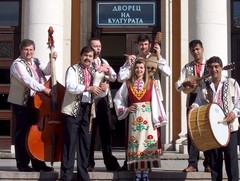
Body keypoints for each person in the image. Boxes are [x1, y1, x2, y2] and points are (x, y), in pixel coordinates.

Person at [117, 33, 171, 171]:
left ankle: (148, 163)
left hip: (153, 98)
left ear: (150, 45)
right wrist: (128, 63)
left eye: (146, 44)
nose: (144, 47)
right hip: (136, 99)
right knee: (133, 133)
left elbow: (168, 73)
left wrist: (159, 57)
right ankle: (131, 161)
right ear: (137, 46)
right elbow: (121, 77)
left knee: (151, 133)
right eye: (141, 45)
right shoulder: (135, 60)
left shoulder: (155, 58)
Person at [114, 58, 167, 181]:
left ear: (145, 70)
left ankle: (146, 174)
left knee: (147, 145)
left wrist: (157, 119)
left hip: (148, 117)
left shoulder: (151, 83)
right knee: (136, 144)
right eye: (137, 68)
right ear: (134, 69)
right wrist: (125, 109)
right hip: (135, 117)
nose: (139, 70)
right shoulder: (128, 83)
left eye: (141, 68)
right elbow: (118, 98)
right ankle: (138, 174)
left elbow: (156, 101)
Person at [60, 46, 109, 181]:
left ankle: (83, 174)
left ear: (93, 58)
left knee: (85, 143)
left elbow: (99, 93)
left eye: (90, 56)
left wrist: (104, 89)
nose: (88, 58)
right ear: (81, 56)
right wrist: (87, 88)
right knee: (69, 143)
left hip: (87, 110)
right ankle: (66, 176)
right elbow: (70, 86)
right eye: (85, 55)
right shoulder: (72, 69)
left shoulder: (95, 72)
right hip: (72, 110)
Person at [7, 39, 55, 172]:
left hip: (37, 101)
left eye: (31, 50)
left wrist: (52, 61)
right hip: (22, 102)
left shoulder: (37, 62)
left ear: (34, 50)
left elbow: (46, 71)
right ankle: (22, 164)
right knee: (22, 133)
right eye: (26, 49)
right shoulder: (17, 64)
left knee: (36, 133)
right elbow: (27, 80)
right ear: (21, 50)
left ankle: (38, 162)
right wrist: (44, 89)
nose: (29, 52)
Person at [190, 56, 240, 180]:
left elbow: (239, 102)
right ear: (208, 69)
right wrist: (193, 107)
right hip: (212, 130)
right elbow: (198, 101)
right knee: (215, 163)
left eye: (216, 66)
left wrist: (233, 113)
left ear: (221, 68)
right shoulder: (204, 85)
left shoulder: (232, 82)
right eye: (211, 67)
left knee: (231, 162)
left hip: (230, 128)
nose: (214, 69)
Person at [175, 39, 211, 172]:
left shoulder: (210, 65)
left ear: (202, 49)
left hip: (207, 100)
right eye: (193, 50)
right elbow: (178, 84)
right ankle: (192, 163)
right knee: (192, 132)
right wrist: (185, 84)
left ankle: (208, 163)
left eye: (197, 49)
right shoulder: (188, 67)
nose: (195, 52)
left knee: (207, 131)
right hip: (192, 99)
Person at [87, 37, 120, 171]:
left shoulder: (104, 61)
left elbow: (114, 77)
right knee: (91, 133)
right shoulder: (87, 61)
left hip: (104, 101)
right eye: (95, 46)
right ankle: (89, 163)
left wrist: (107, 74)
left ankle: (109, 162)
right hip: (91, 101)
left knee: (106, 132)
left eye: (99, 46)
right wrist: (98, 70)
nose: (97, 49)